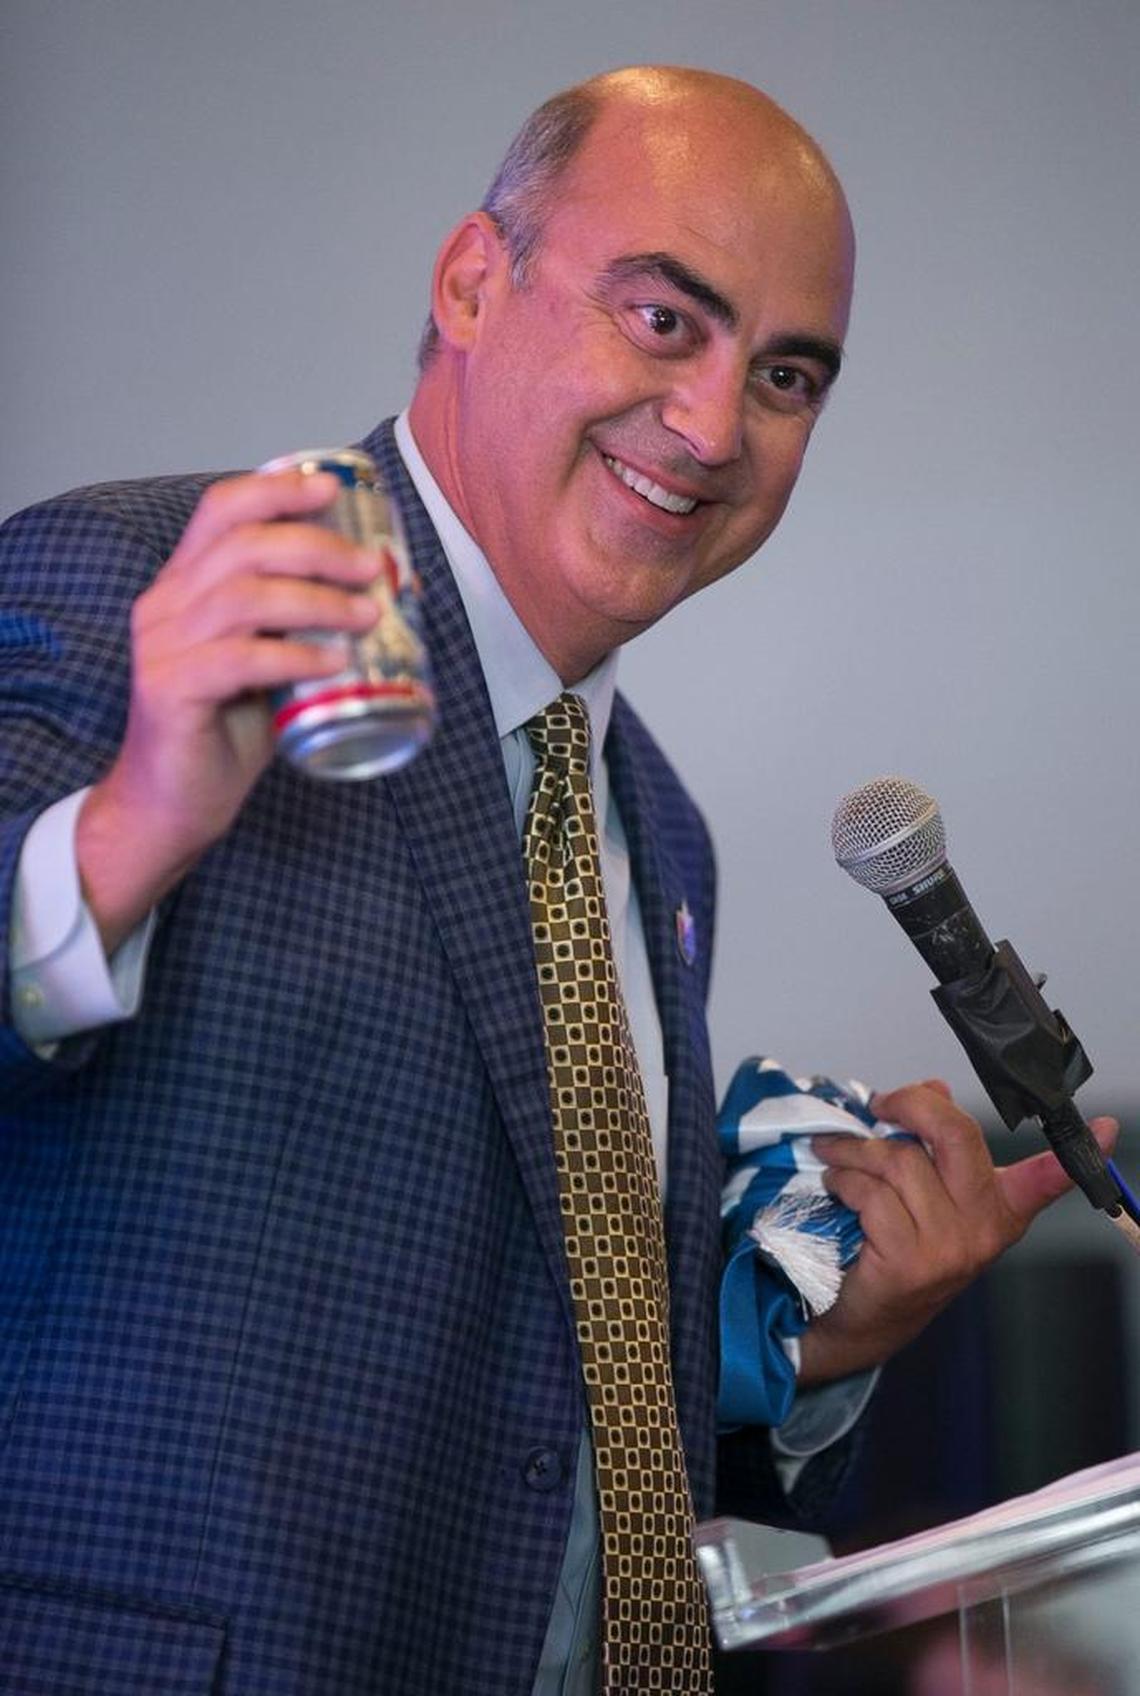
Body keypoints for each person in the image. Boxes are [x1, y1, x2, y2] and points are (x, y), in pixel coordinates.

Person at [0, 65, 1113, 1695]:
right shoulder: (135, 591)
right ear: (471, 283)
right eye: (666, 319)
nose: (718, 424)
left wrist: (801, 1361)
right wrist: (134, 825)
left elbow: (548, 1451)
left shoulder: (652, 823)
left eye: (786, 372)